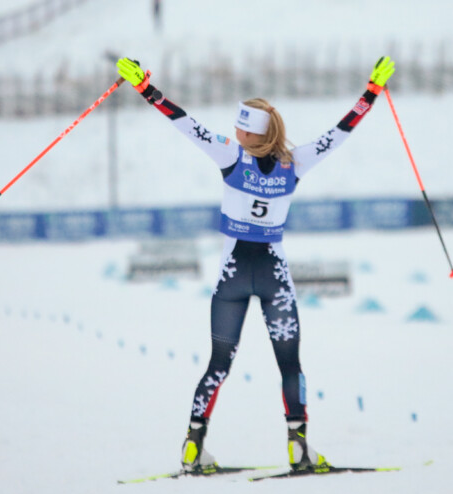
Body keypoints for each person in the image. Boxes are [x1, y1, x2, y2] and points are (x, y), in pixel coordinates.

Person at [115, 56, 395, 473]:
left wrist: (145, 89)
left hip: (231, 276)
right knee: (289, 364)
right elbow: (340, 133)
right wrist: (371, 92)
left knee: (218, 364)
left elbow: (184, 122)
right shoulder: (294, 162)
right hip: (273, 276)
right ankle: (298, 448)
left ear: (253, 132)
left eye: (241, 126)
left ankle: (193, 446)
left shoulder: (230, 156)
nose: (234, 131)